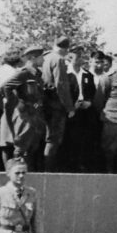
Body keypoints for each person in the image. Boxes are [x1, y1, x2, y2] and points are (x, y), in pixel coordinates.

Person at [0, 47, 47, 168]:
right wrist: (15, 102)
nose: (44, 60)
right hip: (24, 115)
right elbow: (6, 87)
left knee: (32, 148)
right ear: (32, 58)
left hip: (35, 115)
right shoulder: (24, 73)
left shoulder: (37, 74)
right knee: (21, 148)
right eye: (41, 57)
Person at [40, 37, 75, 171]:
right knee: (53, 140)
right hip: (56, 105)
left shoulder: (46, 57)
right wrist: (69, 107)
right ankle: (48, 172)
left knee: (46, 139)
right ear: (66, 49)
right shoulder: (59, 59)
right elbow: (61, 85)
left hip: (45, 103)